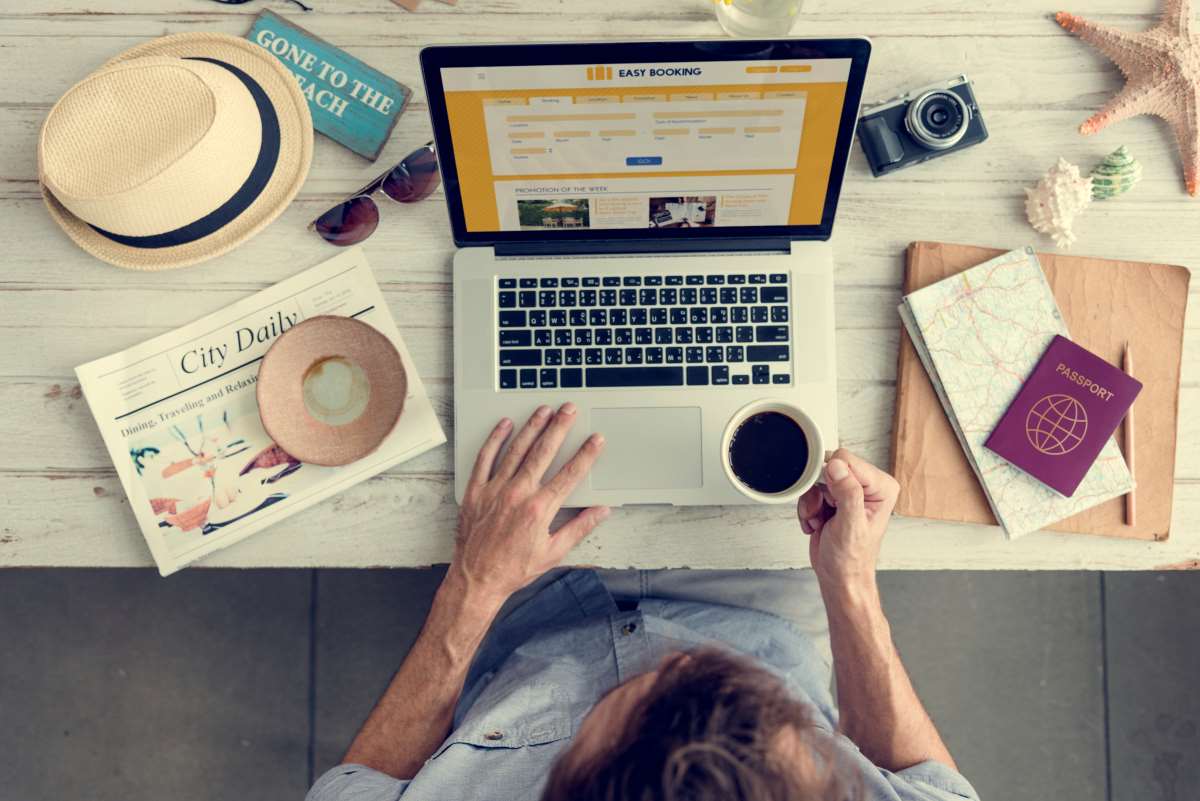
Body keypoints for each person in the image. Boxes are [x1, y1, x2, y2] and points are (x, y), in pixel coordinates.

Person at [307, 403, 979, 801]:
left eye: (619, 701)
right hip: (764, 606)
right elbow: (920, 778)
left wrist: (473, 587)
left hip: (521, 615)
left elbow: (354, 783)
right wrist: (853, 583)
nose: (665, 652)